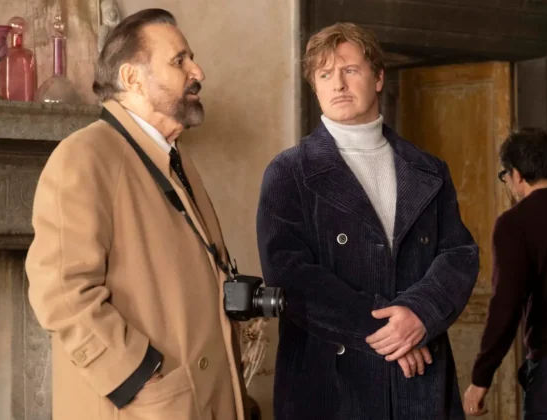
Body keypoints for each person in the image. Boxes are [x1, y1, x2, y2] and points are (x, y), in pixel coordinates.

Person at [25, 9, 246, 420]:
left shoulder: (174, 158)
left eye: (192, 59)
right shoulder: (84, 156)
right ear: (132, 78)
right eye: (179, 60)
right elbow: (61, 294)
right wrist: (139, 377)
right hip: (144, 407)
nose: (198, 71)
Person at [256, 22, 479, 419]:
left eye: (350, 70)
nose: (338, 84)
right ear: (315, 86)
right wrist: (389, 332)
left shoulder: (429, 170)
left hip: (419, 383)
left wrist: (420, 313)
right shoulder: (289, 172)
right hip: (330, 385)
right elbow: (289, 274)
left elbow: (458, 254)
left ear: (377, 78)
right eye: (325, 74)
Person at [464, 128, 547, 419]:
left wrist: (481, 378)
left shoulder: (515, 223)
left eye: (504, 176)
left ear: (516, 174)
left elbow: (506, 305)